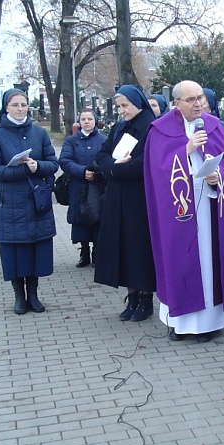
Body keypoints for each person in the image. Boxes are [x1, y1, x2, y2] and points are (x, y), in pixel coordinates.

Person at [143, 80, 224, 342]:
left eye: (200, 98)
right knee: (178, 261)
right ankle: (179, 324)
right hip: (177, 212)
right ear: (176, 104)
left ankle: (208, 324)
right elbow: (157, 171)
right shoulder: (160, 130)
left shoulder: (214, 126)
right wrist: (186, 150)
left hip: (209, 211)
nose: (198, 104)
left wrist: (218, 178)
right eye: (190, 100)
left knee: (208, 262)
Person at [0, 88, 59, 315]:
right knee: (15, 251)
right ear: (6, 107)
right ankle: (19, 296)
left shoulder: (39, 133)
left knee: (36, 247)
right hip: (10, 202)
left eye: (23, 105)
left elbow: (53, 164)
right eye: (15, 105)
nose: (20, 109)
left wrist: (37, 166)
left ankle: (34, 295)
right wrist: (21, 169)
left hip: (36, 199)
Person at [94, 85, 156, 323]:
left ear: (137, 103)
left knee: (139, 248)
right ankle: (131, 297)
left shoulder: (151, 128)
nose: (121, 111)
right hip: (116, 196)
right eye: (119, 106)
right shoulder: (119, 128)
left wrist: (117, 169)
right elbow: (101, 155)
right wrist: (113, 165)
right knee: (122, 247)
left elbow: (147, 163)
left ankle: (145, 299)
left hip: (140, 198)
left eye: (125, 105)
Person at [59, 109, 107, 269]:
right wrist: (82, 172)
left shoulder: (104, 140)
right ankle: (84, 252)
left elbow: (108, 158)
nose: (86, 122)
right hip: (78, 187)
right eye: (83, 119)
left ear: (95, 121)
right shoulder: (71, 141)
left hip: (98, 187)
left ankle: (98, 253)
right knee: (80, 221)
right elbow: (65, 160)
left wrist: (97, 173)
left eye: (90, 119)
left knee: (98, 220)